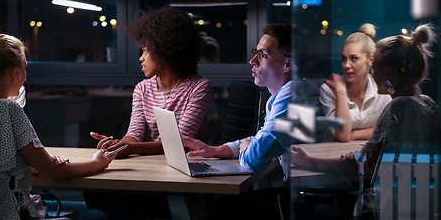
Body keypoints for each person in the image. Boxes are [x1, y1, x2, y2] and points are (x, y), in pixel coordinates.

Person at [292, 23, 438, 220]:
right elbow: (379, 155)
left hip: (382, 209)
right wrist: (365, 153)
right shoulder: (426, 104)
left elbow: (363, 168)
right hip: (419, 206)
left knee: (312, 211)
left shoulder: (398, 107)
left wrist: (309, 161)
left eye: (375, 68)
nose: (372, 74)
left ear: (387, 73)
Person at [0, 28, 114, 220]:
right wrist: (97, 163)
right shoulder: (6, 108)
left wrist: (28, 164)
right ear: (14, 73)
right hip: (14, 215)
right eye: (25, 68)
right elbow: (54, 172)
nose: (25, 76)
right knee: (101, 215)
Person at [183, 23, 292, 219]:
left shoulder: (291, 97)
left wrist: (246, 146)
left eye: (262, 55)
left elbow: (254, 158)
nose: (252, 61)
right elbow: (259, 139)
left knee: (220, 211)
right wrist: (216, 150)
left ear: (287, 65)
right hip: (297, 195)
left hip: (301, 201)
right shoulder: (281, 96)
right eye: (255, 53)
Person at [91, 7, 213, 157]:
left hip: (192, 163)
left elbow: (181, 141)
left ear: (166, 51)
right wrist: (118, 145)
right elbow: (135, 133)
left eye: (146, 51)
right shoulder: (142, 89)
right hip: (158, 162)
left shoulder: (199, 87)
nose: (140, 58)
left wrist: (132, 148)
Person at [319, 23, 391, 142]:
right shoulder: (327, 90)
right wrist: (340, 92)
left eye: (353, 58)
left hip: (370, 155)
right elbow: (342, 135)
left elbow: (388, 130)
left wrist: (354, 135)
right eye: (344, 58)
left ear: (370, 59)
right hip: (334, 156)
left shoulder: (384, 90)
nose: (346, 65)